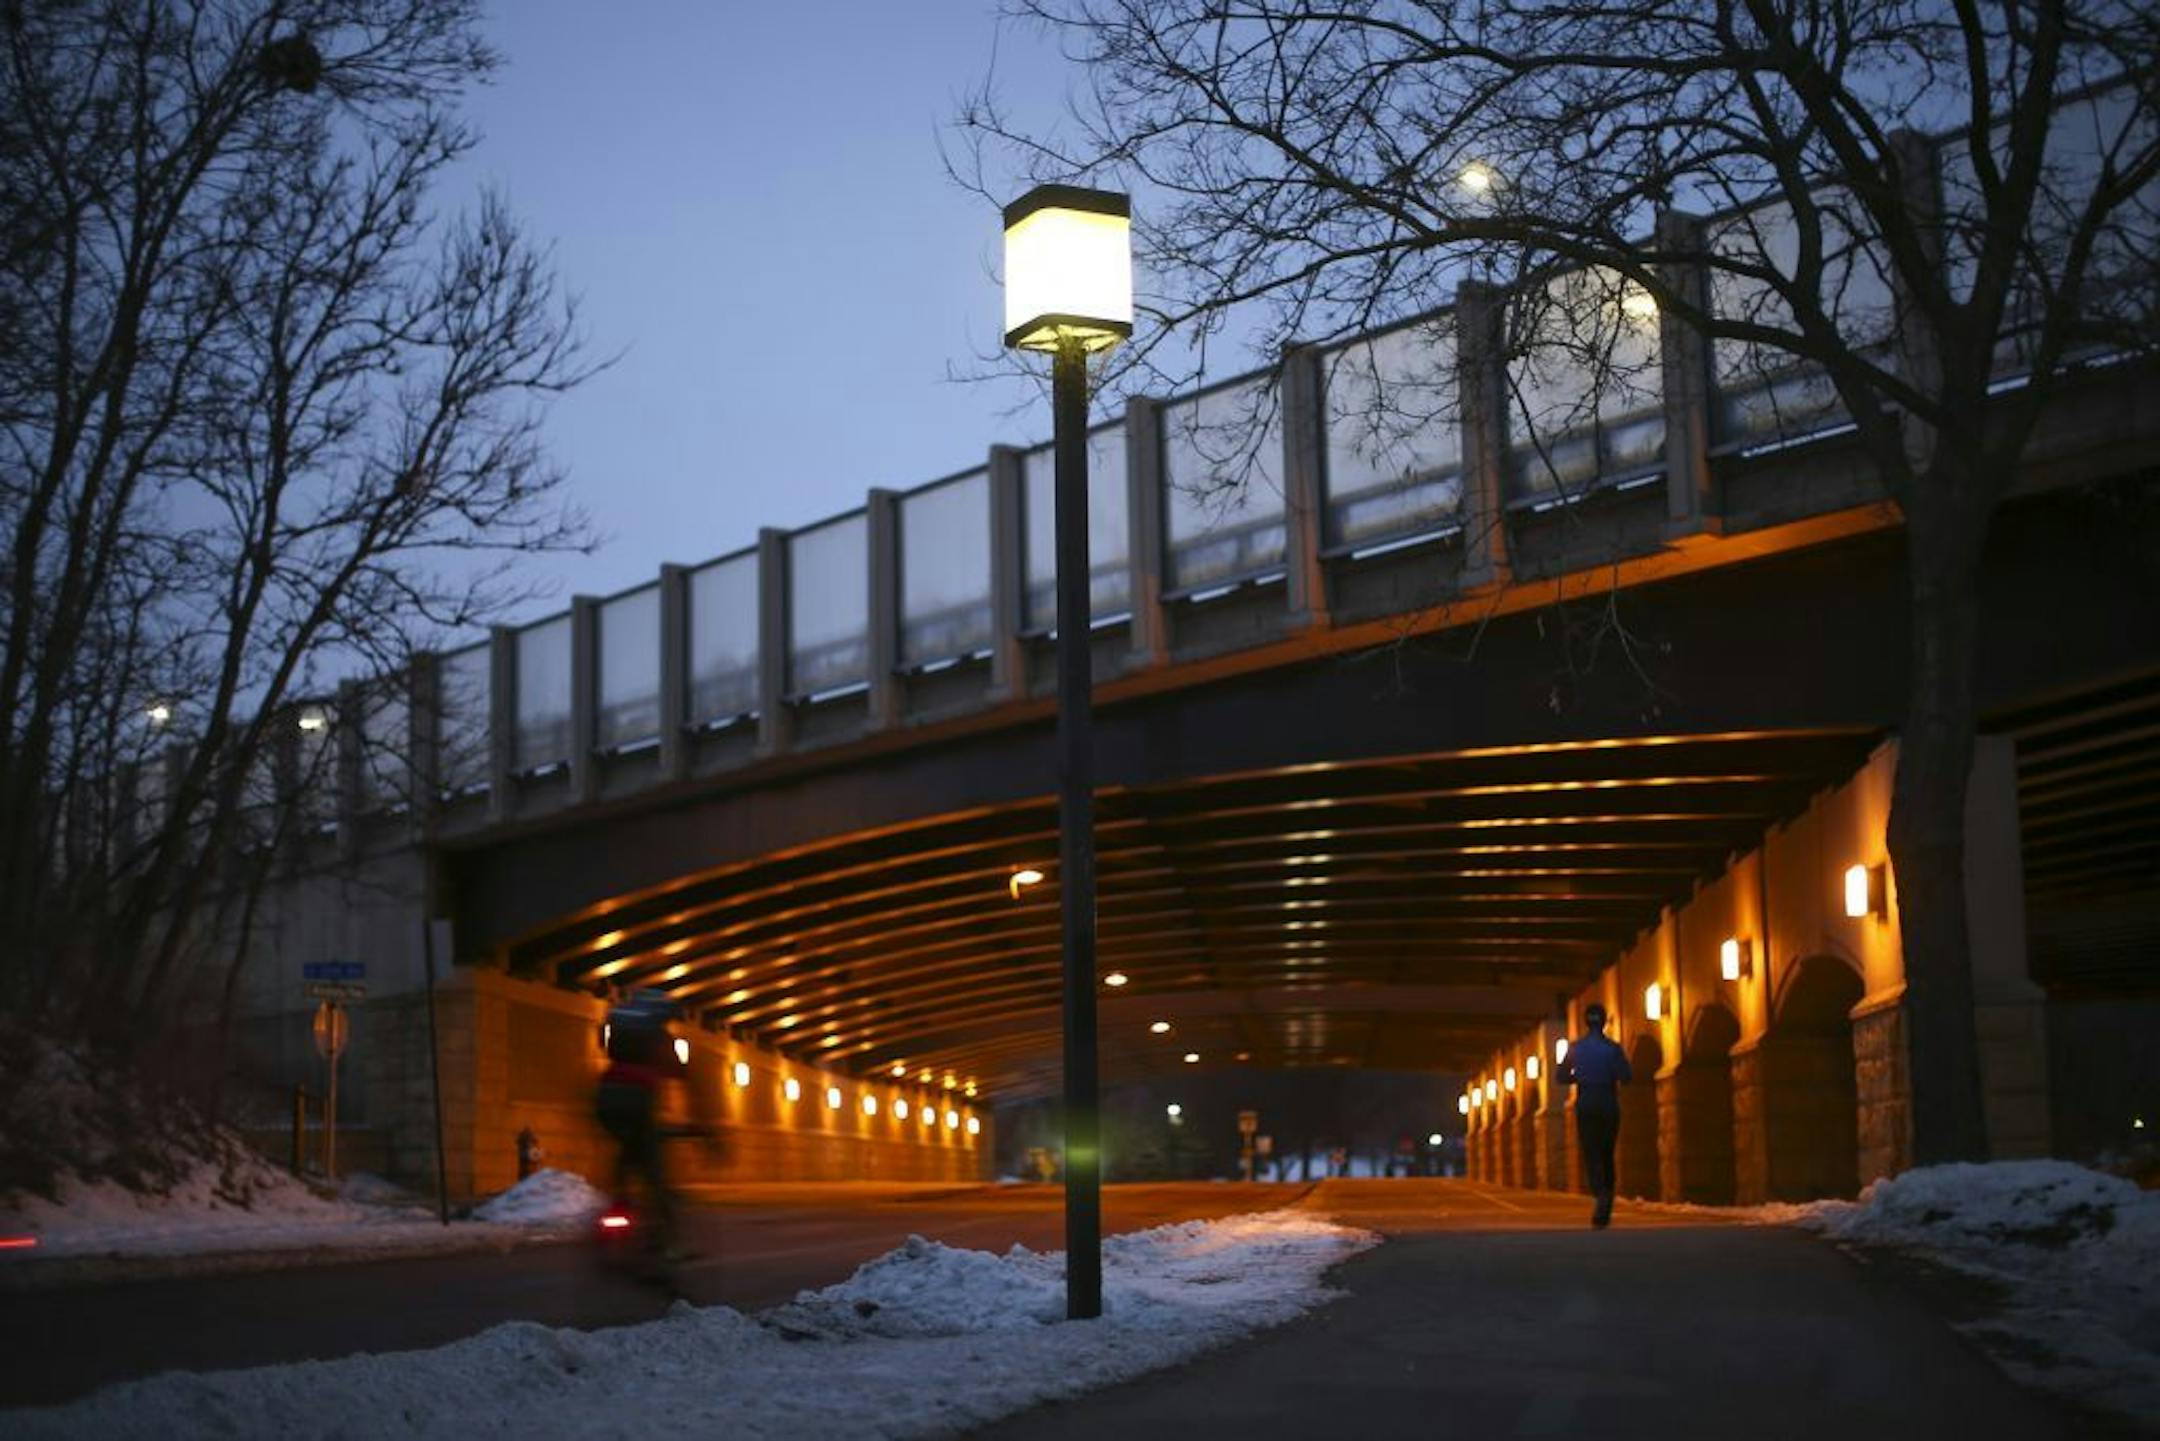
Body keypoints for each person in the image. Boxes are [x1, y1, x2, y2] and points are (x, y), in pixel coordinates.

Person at [595, 990, 687, 1252]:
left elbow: (602, 1043)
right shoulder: (661, 1037)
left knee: (626, 1149)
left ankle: (618, 1203)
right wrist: (705, 1128)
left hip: (605, 1097)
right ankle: (667, 1245)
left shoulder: (619, 1025)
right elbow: (682, 1075)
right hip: (638, 1100)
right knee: (655, 1171)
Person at [1558, 1002, 1633, 1228]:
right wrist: (1609, 1074)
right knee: (1607, 1153)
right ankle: (1606, 1199)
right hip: (1608, 1104)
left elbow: (1561, 1076)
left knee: (1591, 1153)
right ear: (1604, 1022)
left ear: (1585, 1022)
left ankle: (1600, 1193)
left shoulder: (1575, 1048)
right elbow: (1626, 1076)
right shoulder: (1613, 1048)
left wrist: (1580, 1077)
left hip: (1586, 1104)